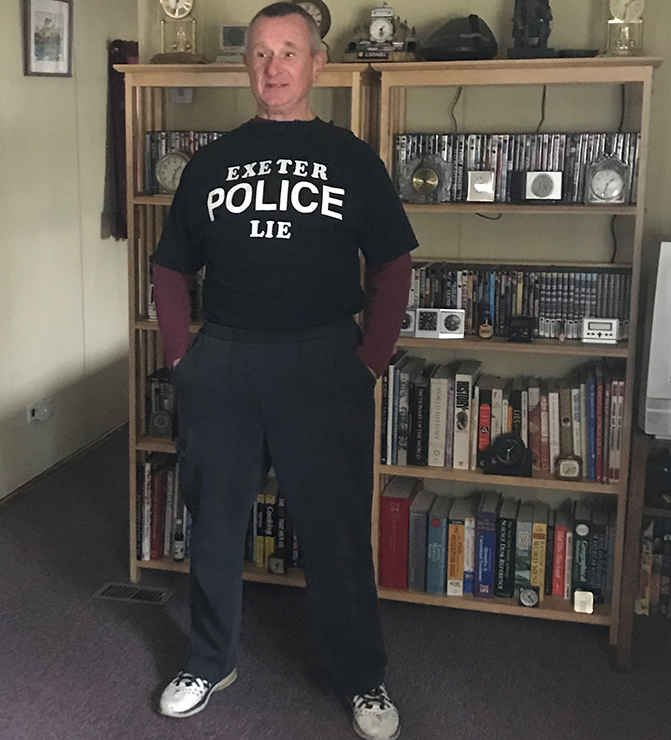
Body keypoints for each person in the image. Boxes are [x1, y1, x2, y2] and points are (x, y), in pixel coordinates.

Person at [150, 4, 417, 739]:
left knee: (334, 534)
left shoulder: (353, 158)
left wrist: (369, 360)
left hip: (324, 362)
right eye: (261, 53)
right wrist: (182, 359)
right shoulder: (211, 161)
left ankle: (363, 678)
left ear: (316, 64)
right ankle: (210, 659)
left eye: (289, 52)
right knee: (213, 528)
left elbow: (394, 264)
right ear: (247, 66)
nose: (274, 66)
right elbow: (170, 267)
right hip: (227, 362)